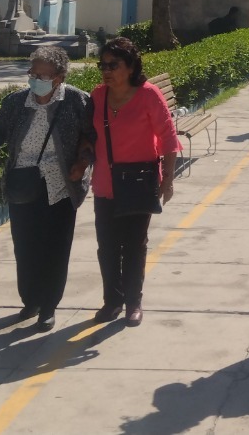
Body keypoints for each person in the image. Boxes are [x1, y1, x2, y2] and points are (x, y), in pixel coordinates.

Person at [0, 46, 94, 332]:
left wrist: (83, 162)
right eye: (33, 73)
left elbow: (91, 136)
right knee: (25, 245)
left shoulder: (77, 101)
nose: (36, 79)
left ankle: (49, 307)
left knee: (55, 247)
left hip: (60, 184)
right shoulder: (16, 102)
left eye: (43, 74)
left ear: (60, 77)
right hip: (23, 182)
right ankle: (30, 300)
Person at [90, 37, 181, 326]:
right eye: (103, 65)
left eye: (113, 65)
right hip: (106, 182)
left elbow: (168, 138)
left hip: (139, 182)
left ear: (130, 67)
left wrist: (167, 179)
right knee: (106, 247)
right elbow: (87, 137)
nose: (106, 70)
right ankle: (111, 301)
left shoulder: (148, 95)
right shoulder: (97, 96)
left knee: (133, 245)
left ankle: (133, 302)